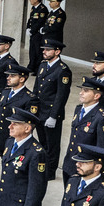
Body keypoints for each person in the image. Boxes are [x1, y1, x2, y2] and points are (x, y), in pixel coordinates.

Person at [61, 78, 104, 187]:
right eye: (81, 90)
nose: (81, 93)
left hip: (87, 169)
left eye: (86, 91)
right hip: (71, 164)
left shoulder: (102, 118)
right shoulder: (79, 109)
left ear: (96, 96)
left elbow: (103, 150)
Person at [34, 38, 72, 180]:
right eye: (44, 49)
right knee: (42, 142)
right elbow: (37, 88)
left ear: (57, 51)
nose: (44, 52)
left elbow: (61, 96)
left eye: (48, 50)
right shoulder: (43, 65)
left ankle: (50, 172)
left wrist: (54, 116)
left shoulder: (63, 70)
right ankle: (43, 167)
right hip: (39, 112)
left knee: (52, 145)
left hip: (51, 113)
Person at [0, 64, 37, 158]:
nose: (8, 78)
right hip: (2, 138)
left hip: (16, 138)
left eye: (12, 76)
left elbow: (28, 124)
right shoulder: (5, 92)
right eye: (8, 75)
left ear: (22, 79)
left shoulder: (29, 98)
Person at [25, 0, 49, 72]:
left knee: (38, 51)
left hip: (38, 34)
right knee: (32, 51)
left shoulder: (42, 9)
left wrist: (32, 30)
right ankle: (31, 66)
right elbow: (30, 19)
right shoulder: (33, 8)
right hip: (33, 33)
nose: (30, 0)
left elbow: (40, 22)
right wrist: (28, 28)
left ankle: (37, 68)